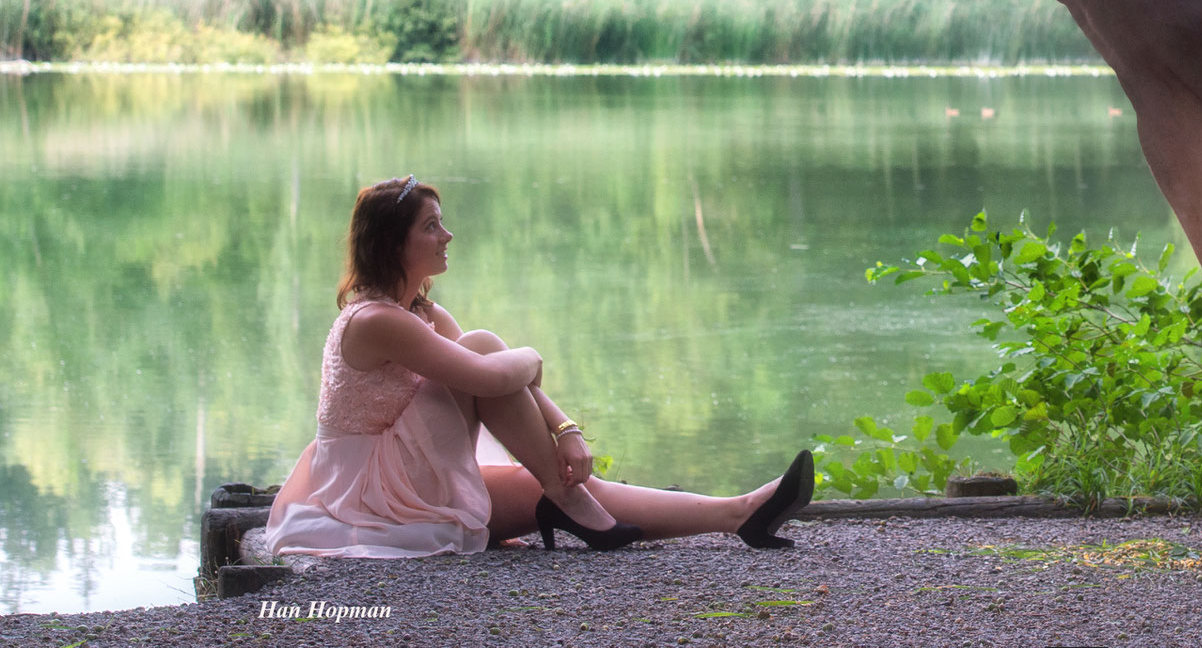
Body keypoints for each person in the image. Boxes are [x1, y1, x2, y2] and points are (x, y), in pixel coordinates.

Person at [266, 175, 812, 557]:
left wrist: (566, 429)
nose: (447, 234)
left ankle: (740, 511)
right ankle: (569, 495)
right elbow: (491, 374)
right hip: (369, 494)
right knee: (483, 346)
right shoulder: (375, 320)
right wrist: (533, 355)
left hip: (411, 479)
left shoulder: (421, 312)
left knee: (539, 484)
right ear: (393, 244)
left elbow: (499, 381)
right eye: (431, 226)